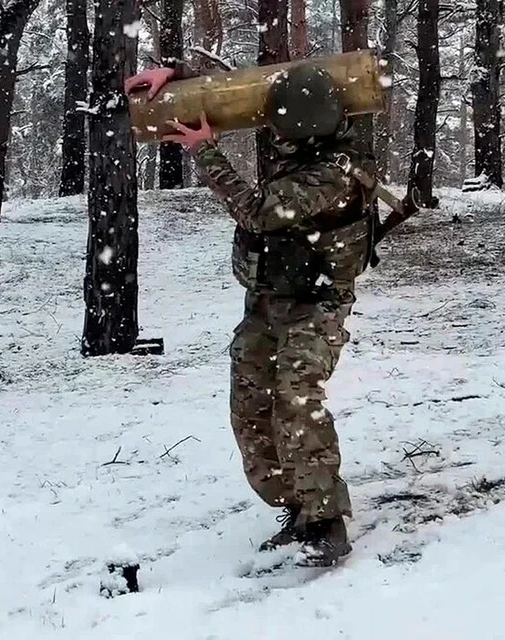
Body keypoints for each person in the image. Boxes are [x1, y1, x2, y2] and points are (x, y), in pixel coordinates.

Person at [126, 62, 377, 566]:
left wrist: (206, 154)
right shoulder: (299, 128)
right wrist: (178, 74)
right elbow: (246, 87)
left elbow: (259, 211)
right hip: (267, 298)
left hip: (317, 303)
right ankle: (296, 508)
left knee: (296, 397)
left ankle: (327, 522)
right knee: (251, 405)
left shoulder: (336, 172)